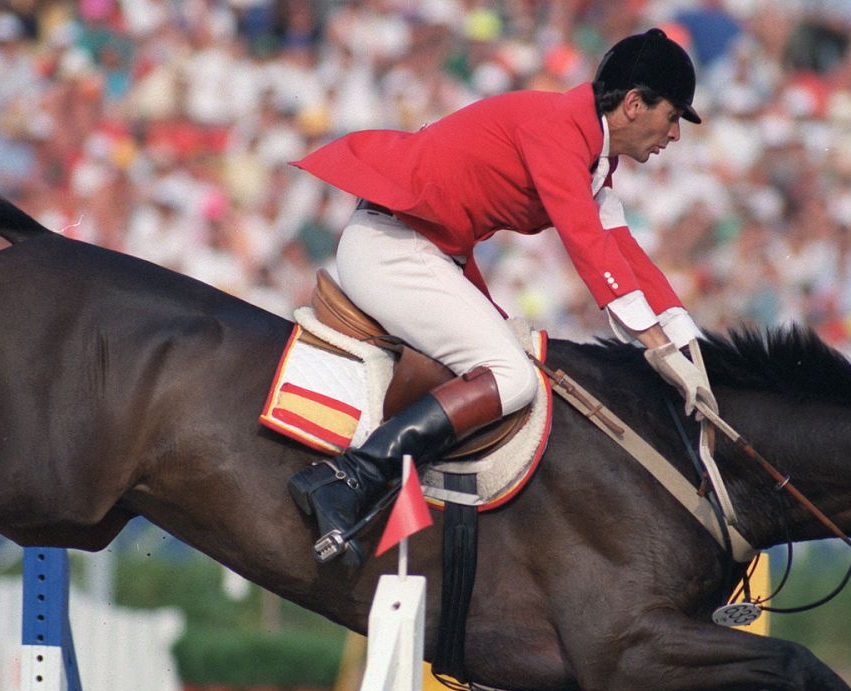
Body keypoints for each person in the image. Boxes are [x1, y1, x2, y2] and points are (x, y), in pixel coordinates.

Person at [286, 28, 717, 564]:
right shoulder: (559, 129)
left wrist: (690, 345)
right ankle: (350, 476)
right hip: (393, 248)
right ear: (633, 104)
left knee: (517, 358)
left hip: (424, 252)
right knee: (512, 377)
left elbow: (623, 250)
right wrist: (655, 346)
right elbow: (586, 243)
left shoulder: (591, 153)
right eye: (673, 116)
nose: (674, 134)